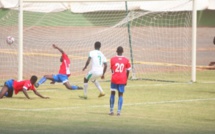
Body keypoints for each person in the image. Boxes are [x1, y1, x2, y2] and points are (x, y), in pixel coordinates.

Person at [109, 46, 131, 116]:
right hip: (122, 79)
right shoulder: (126, 60)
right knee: (120, 94)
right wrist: (126, 79)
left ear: (116, 51)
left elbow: (112, 70)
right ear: (123, 51)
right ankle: (118, 111)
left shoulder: (112, 59)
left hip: (114, 78)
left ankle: (111, 110)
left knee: (112, 93)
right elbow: (128, 70)